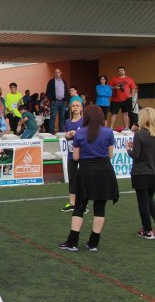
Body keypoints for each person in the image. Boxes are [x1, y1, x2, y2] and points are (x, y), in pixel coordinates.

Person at [58, 105, 119, 252]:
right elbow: (110, 155)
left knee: (79, 206)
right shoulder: (108, 132)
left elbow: (76, 157)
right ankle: (93, 243)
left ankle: (72, 242)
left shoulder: (80, 133)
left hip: (85, 171)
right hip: (105, 172)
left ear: (86, 117)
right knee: (100, 208)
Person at [125, 107, 155, 239]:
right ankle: (147, 229)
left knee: (143, 202)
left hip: (141, 173)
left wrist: (128, 149)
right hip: (153, 172)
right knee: (149, 200)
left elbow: (135, 154)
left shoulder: (139, 134)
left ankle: (147, 230)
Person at [61, 99, 84, 212]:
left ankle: (83, 203)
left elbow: (88, 135)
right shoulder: (67, 122)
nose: (75, 107)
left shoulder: (84, 121)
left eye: (77, 105)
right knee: (72, 178)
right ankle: (72, 203)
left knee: (83, 178)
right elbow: (66, 137)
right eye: (73, 106)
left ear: (81, 108)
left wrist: (77, 133)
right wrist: (67, 135)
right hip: (71, 154)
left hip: (84, 154)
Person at [46, 68, 69, 134]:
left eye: (58, 72)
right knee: (53, 116)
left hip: (63, 102)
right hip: (54, 102)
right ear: (54, 73)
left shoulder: (64, 81)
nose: (57, 74)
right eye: (56, 72)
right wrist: (51, 100)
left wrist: (66, 100)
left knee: (62, 116)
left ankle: (61, 131)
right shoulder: (51, 81)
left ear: (61, 73)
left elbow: (66, 91)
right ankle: (51, 131)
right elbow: (48, 92)